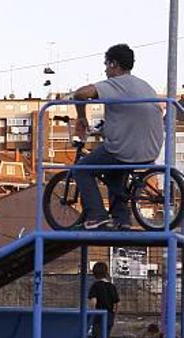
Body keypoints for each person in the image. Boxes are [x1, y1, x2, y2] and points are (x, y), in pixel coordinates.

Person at [71, 43, 164, 230]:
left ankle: (97, 216)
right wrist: (103, 131)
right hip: (150, 150)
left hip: (125, 149)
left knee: (81, 169)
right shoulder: (145, 86)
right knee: (114, 175)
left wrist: (81, 117)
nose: (105, 70)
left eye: (106, 64)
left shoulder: (115, 83)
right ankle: (122, 219)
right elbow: (130, 120)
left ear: (114, 64)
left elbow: (80, 94)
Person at [89, 261, 119, 338]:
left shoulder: (95, 286)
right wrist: (114, 316)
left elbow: (93, 302)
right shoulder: (112, 286)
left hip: (99, 318)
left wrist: (92, 315)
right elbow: (116, 304)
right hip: (109, 317)